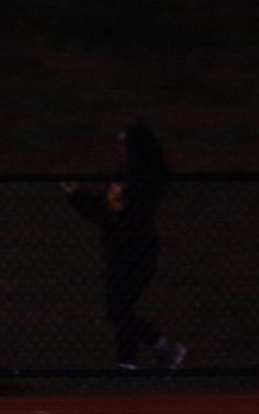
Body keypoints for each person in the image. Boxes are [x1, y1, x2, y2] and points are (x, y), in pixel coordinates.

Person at [61, 118, 186, 371]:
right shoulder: (119, 179)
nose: (119, 150)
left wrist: (109, 206)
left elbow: (126, 214)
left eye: (124, 144)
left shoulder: (143, 181)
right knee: (121, 308)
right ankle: (129, 361)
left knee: (118, 309)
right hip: (117, 251)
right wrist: (77, 197)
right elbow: (104, 214)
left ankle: (159, 349)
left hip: (138, 251)